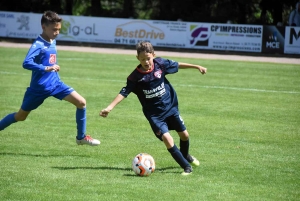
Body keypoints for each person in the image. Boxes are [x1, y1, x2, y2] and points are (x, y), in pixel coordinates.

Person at [99, 41, 207, 175]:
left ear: (154, 55)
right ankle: (186, 167)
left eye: (148, 58)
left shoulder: (160, 64)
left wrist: (196, 66)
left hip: (171, 108)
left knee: (184, 135)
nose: (146, 62)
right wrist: (109, 108)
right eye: (142, 59)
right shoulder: (135, 77)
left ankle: (185, 157)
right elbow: (124, 92)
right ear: (137, 58)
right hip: (155, 116)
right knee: (168, 139)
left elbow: (178, 65)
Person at [0, 11, 100, 146]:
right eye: (54, 29)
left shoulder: (52, 40)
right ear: (43, 27)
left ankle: (81, 138)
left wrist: (51, 69)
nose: (57, 32)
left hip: (55, 84)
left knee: (81, 102)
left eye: (59, 29)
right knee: (20, 116)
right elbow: (26, 63)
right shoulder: (38, 44)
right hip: (38, 89)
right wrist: (45, 68)